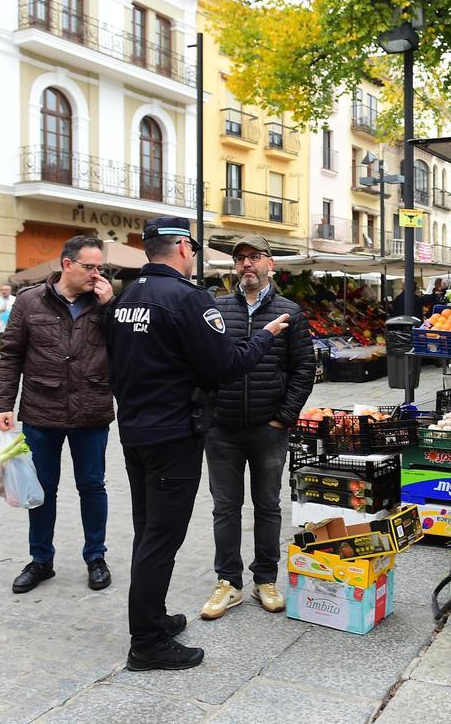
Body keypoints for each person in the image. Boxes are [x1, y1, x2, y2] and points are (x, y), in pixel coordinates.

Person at [106, 217, 290, 672]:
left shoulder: (128, 296)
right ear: (185, 247)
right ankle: (147, 642)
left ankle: (153, 618)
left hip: (135, 431)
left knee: (148, 530)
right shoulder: (189, 299)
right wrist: (265, 337)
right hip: (172, 434)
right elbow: (225, 364)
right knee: (161, 538)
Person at [202, 235, 315, 620]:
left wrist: (284, 416)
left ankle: (265, 578)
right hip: (223, 429)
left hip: (269, 428)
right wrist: (211, 411)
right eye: (240, 259)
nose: (247, 264)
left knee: (267, 506)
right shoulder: (215, 311)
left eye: (255, 257)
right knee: (225, 507)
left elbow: (304, 369)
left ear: (271, 264)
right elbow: (204, 365)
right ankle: (228, 582)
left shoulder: (291, 313)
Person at [0, 236, 115, 595]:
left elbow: (127, 346)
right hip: (40, 410)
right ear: (67, 264)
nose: (96, 274)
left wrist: (110, 307)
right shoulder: (30, 301)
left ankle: (96, 556)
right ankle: (41, 560)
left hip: (91, 409)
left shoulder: (105, 302)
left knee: (92, 486)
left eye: (100, 268)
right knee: (42, 488)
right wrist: (4, 404)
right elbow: (11, 354)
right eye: (89, 267)